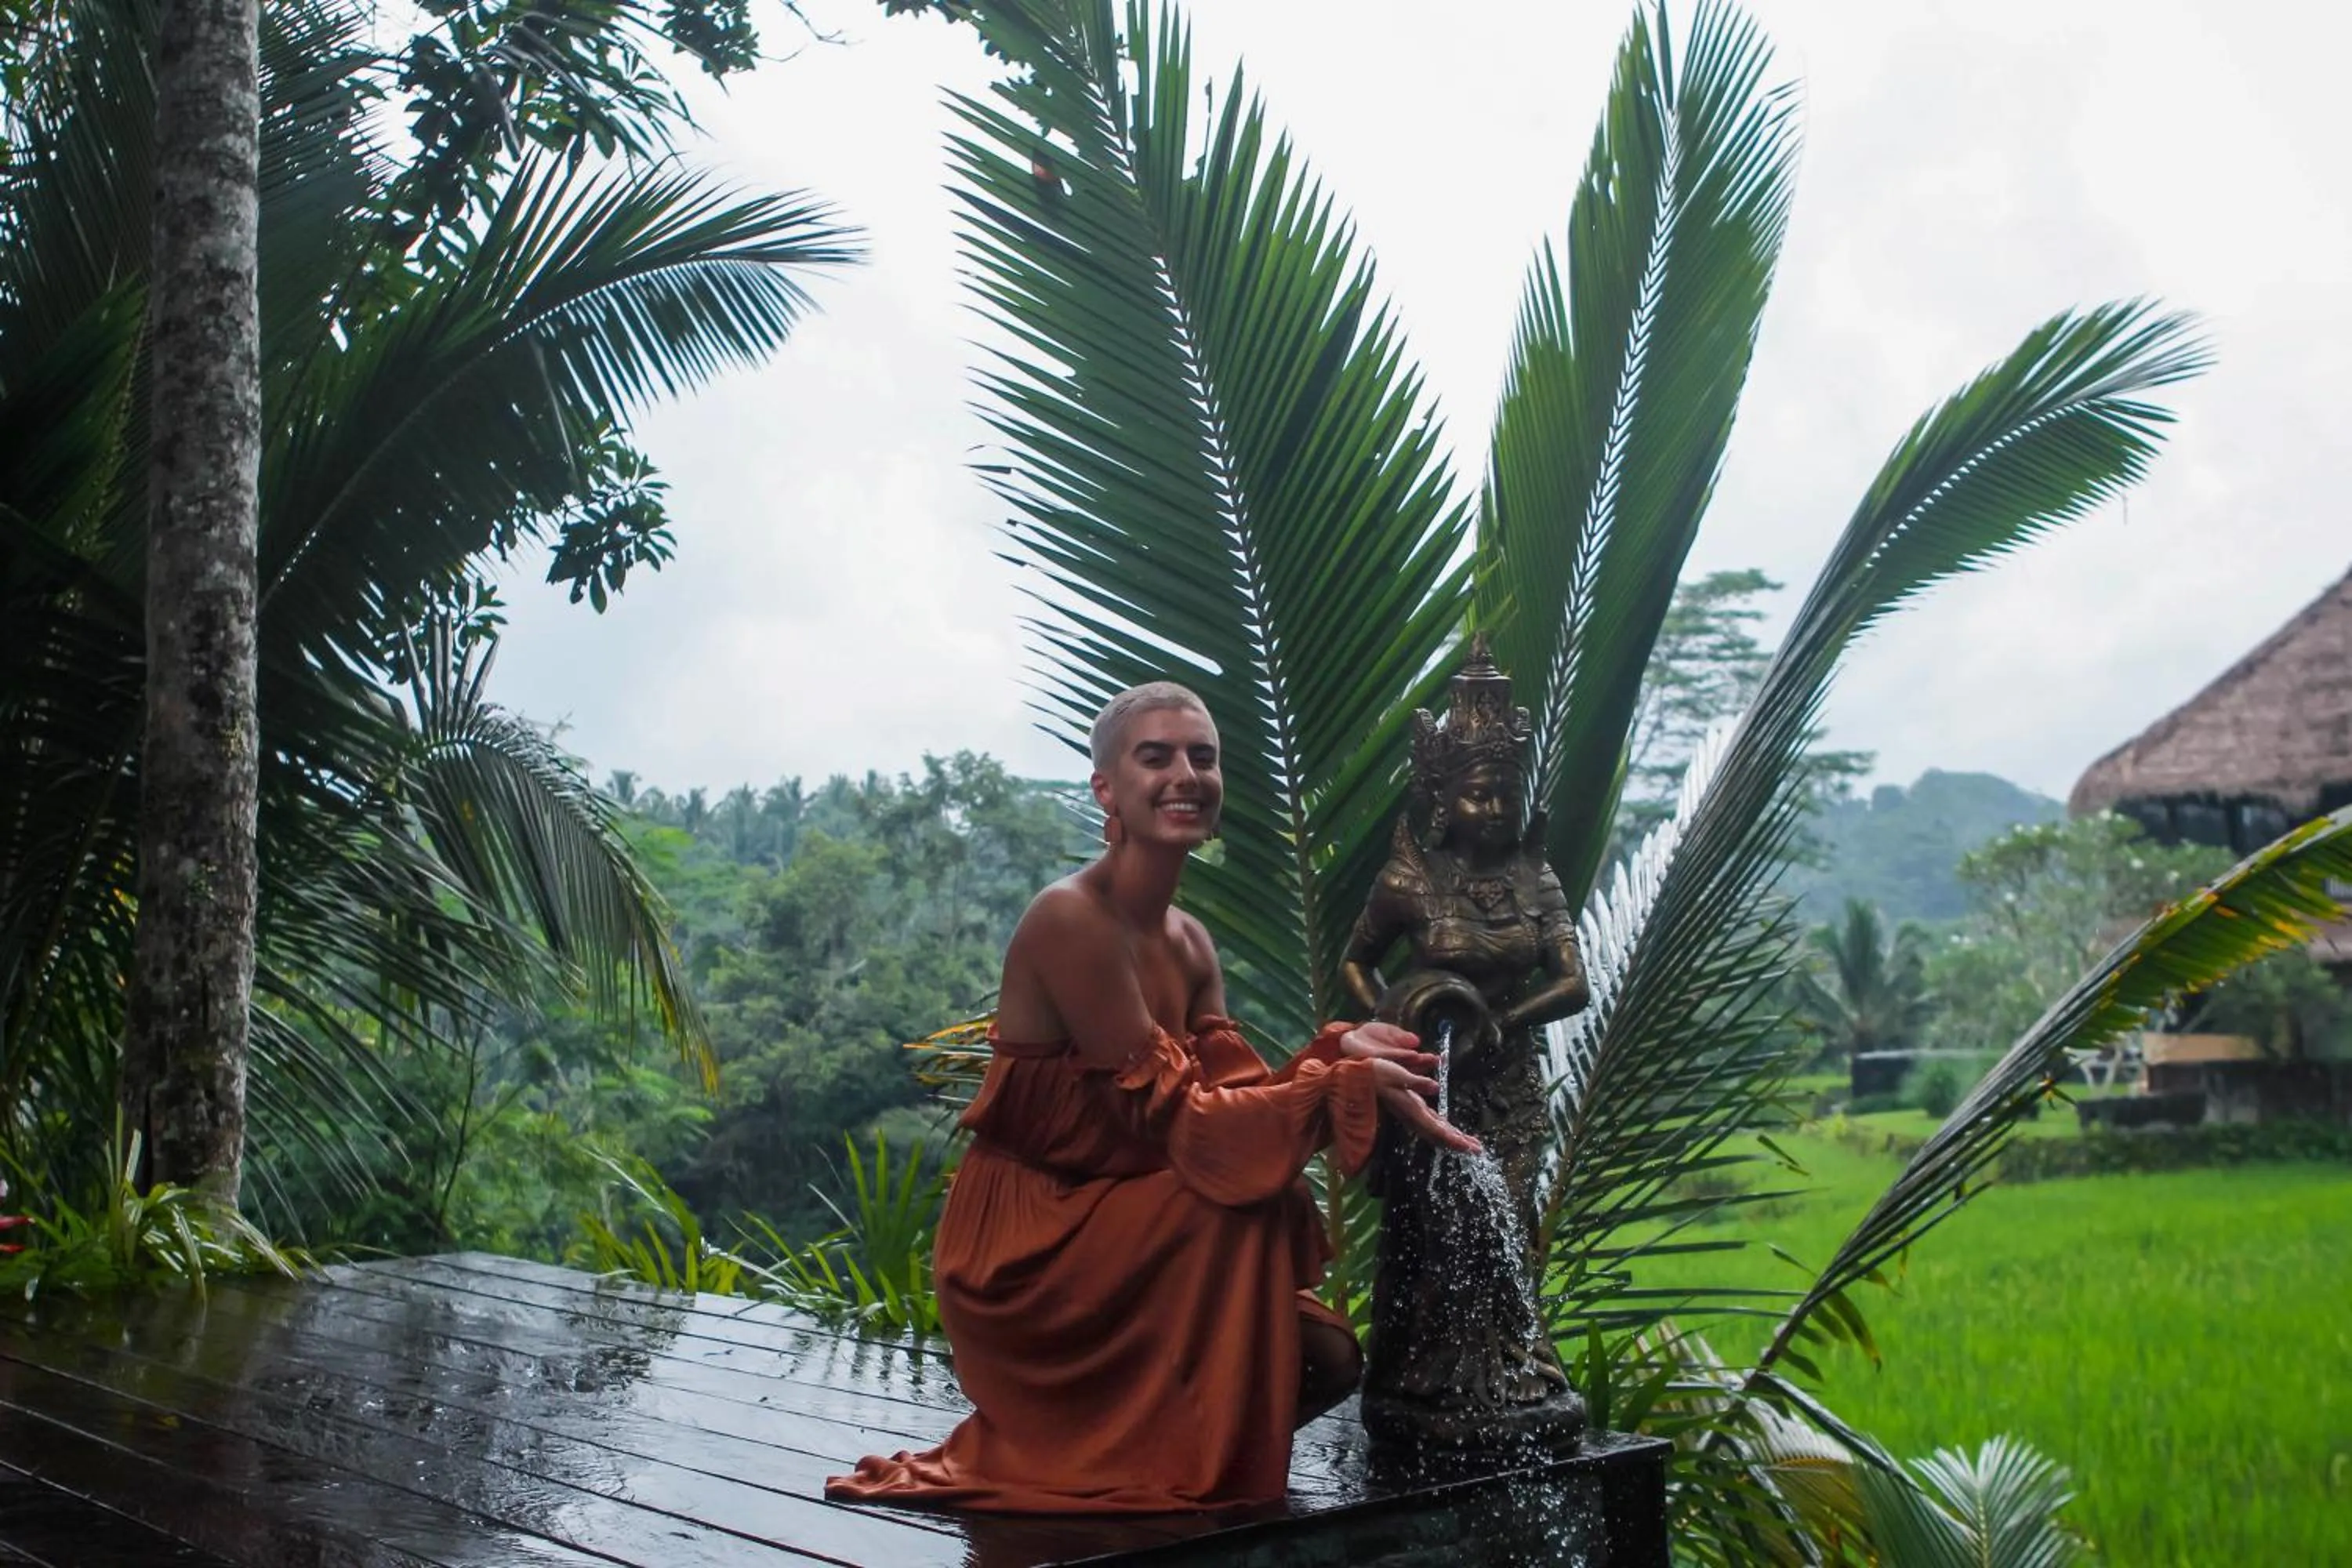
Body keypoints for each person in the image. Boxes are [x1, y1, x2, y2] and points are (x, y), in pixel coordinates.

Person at [824, 682, 1478, 1514]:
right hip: (1031, 1239)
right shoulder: (1069, 920)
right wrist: (1335, 1088)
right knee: (1230, 1206)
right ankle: (1133, 1459)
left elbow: (1229, 1109)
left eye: (1202, 756)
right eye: (1156, 755)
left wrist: (1333, 1049)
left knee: (1324, 1356)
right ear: (1107, 788)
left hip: (1133, 1205)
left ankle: (1155, 1447)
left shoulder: (1190, 939)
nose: (1186, 774)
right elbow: (1200, 1137)